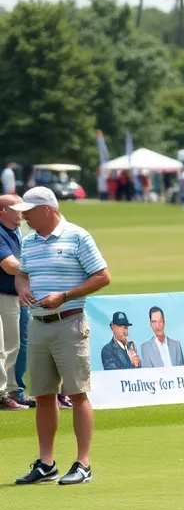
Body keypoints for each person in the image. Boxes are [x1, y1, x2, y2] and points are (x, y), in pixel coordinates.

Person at [12, 187, 111, 486]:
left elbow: (102, 276)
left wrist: (65, 295)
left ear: (47, 210)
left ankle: (84, 464)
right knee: (43, 396)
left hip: (70, 323)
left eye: (29, 211)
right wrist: (21, 288)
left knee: (77, 394)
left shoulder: (78, 236)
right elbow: (22, 273)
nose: (24, 216)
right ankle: (46, 463)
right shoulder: (28, 243)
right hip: (39, 324)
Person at [0, 195, 26, 409]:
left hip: (14, 295)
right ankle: (4, 394)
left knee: (14, 346)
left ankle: (12, 390)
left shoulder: (15, 232)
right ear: (3, 211)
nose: (21, 213)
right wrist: (37, 269)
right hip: (3, 296)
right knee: (6, 347)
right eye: (16, 209)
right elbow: (9, 265)